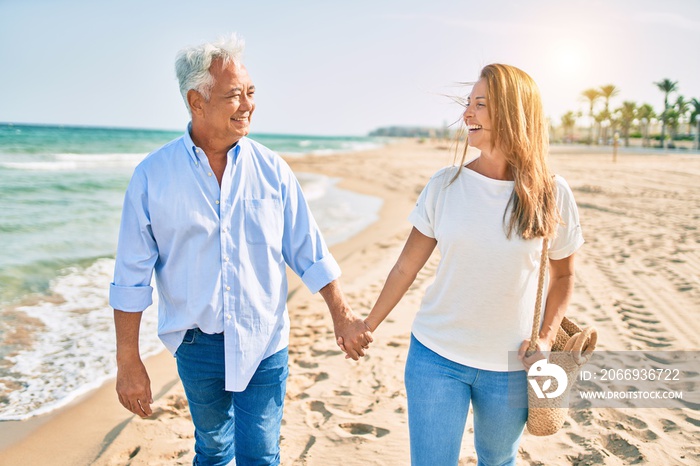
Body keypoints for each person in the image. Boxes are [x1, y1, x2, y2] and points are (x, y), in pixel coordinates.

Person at [109, 34, 372, 466]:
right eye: (234, 95)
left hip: (265, 340)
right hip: (195, 345)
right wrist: (128, 362)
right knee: (211, 450)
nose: (248, 104)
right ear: (197, 102)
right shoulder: (152, 177)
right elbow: (131, 277)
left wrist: (341, 316)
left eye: (251, 93)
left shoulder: (273, 170)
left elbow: (308, 249)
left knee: (262, 454)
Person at [340, 64, 584, 465]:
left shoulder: (552, 193)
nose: (467, 114)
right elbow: (405, 267)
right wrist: (368, 324)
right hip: (436, 357)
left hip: (511, 367)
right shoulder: (445, 185)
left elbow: (564, 274)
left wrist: (544, 338)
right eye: (468, 104)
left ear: (512, 112)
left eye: (480, 105)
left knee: (497, 459)